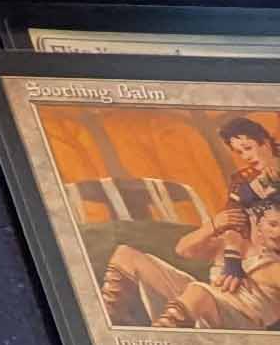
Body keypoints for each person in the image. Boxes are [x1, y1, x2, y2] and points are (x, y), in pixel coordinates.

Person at [101, 116, 280, 329]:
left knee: (198, 293)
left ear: (265, 142)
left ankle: (162, 340)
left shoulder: (269, 261)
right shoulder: (241, 195)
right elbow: (187, 247)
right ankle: (108, 327)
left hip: (238, 311)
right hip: (207, 298)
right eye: (240, 152)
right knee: (126, 256)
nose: (246, 157)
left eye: (248, 148)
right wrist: (219, 233)